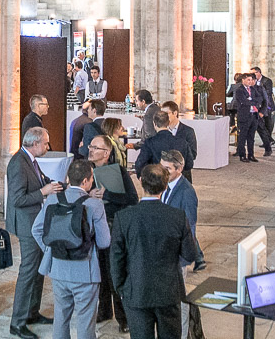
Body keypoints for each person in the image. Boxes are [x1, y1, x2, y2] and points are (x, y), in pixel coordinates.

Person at [113, 165, 198, 339]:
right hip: (169, 291)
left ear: (140, 181)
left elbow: (116, 259)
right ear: (166, 186)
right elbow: (190, 254)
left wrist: (122, 288)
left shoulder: (124, 217)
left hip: (136, 291)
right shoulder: (178, 217)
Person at [31, 158, 110, 339]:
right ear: (85, 181)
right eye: (91, 179)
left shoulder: (52, 199)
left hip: (58, 268)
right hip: (85, 270)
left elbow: (36, 229)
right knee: (85, 321)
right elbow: (105, 242)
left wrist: (52, 249)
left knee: (61, 317)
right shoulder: (94, 205)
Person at [8, 127, 63, 339]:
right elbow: (17, 199)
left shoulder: (30, 159)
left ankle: (32, 312)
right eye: (46, 143)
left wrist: (64, 186)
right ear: (35, 143)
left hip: (36, 224)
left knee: (39, 269)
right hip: (27, 225)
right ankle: (17, 322)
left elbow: (43, 180)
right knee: (28, 271)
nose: (48, 147)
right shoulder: (18, 163)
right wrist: (43, 192)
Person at [86, 134, 136, 331]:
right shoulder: (87, 171)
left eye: (95, 147)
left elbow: (132, 199)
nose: (90, 149)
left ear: (106, 154)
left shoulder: (119, 172)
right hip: (94, 228)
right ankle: (104, 310)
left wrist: (106, 194)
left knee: (115, 272)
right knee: (100, 272)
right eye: (90, 146)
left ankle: (124, 319)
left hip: (113, 227)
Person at [159, 151, 203, 270]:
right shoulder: (164, 184)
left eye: (167, 168)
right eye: (161, 167)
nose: (162, 172)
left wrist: (182, 259)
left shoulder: (187, 192)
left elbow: (190, 226)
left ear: (179, 169)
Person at [233, 73, 269, 163]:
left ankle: (251, 155)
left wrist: (251, 100)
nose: (250, 82)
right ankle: (242, 155)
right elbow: (244, 101)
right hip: (245, 116)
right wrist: (253, 101)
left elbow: (260, 98)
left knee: (251, 137)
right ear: (243, 80)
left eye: (251, 80)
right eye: (248, 80)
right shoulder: (239, 90)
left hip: (254, 115)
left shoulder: (252, 89)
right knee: (243, 136)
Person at [251, 67, 275, 143]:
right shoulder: (253, 81)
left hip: (267, 105)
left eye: (253, 73)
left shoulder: (267, 81)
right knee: (261, 125)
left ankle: (269, 141)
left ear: (258, 72)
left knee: (268, 124)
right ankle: (268, 141)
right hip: (258, 106)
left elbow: (268, 93)